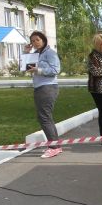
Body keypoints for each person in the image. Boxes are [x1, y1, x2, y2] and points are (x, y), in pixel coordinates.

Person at [24, 30, 62, 158]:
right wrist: (26, 52)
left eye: (37, 40)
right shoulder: (35, 54)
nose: (35, 43)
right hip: (39, 87)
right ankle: (56, 146)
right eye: (33, 41)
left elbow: (56, 70)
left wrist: (38, 70)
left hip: (48, 87)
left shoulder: (50, 53)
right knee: (46, 117)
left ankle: (53, 148)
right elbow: (25, 67)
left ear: (43, 40)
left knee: (44, 117)